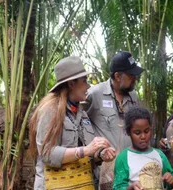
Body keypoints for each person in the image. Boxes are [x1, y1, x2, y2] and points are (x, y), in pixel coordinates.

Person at [28, 56, 116, 189]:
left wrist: (100, 154)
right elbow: (47, 154)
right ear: (71, 84)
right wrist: (85, 150)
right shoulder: (50, 110)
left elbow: (87, 154)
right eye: (84, 81)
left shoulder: (82, 113)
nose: (88, 85)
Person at [83, 51, 144, 189]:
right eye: (131, 75)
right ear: (117, 76)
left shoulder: (134, 97)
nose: (135, 78)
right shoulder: (95, 94)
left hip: (130, 169)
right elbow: (80, 125)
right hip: (104, 170)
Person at [113, 106, 173, 190]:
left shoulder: (159, 155)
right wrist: (130, 187)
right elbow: (117, 186)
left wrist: (172, 180)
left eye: (146, 131)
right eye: (137, 133)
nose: (143, 136)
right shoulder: (123, 158)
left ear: (151, 129)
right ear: (128, 132)